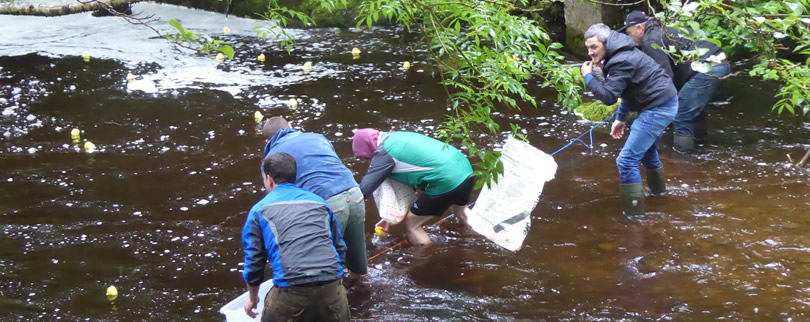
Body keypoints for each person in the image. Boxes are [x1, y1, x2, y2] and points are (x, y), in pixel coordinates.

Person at [580, 23, 678, 216]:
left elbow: (609, 97)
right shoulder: (621, 51)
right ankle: (659, 196)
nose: (590, 53)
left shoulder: (620, 60)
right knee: (648, 154)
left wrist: (588, 77)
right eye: (588, 48)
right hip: (664, 102)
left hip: (658, 108)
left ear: (606, 43)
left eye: (594, 47)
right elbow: (627, 90)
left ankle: (635, 217)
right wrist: (621, 119)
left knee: (626, 161)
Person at [241, 152, 349, 321]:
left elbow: (255, 262)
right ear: (295, 177)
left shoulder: (259, 210)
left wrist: (253, 299)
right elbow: (340, 247)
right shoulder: (320, 203)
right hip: (332, 289)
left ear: (269, 179)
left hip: (291, 293)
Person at [262, 117, 367, 276]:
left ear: (267, 140)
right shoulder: (317, 137)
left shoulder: (271, 159)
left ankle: (340, 297)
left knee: (324, 271)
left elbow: (275, 202)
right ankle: (364, 291)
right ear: (291, 126)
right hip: (354, 193)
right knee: (358, 267)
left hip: (326, 203)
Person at [618, 10, 731, 152]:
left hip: (708, 68)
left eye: (629, 33)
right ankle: (701, 150)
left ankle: (683, 159)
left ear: (640, 28)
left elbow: (665, 77)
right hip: (718, 63)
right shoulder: (664, 29)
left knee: (681, 115)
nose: (629, 38)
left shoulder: (650, 40)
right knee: (692, 111)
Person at [352, 129, 474, 247]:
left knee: (411, 225)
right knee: (461, 212)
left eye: (366, 158)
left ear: (369, 149)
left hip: (447, 180)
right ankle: (480, 237)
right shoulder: (395, 137)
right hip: (466, 171)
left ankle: (424, 257)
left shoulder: (384, 154)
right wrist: (389, 218)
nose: (368, 162)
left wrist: (343, 206)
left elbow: (364, 191)